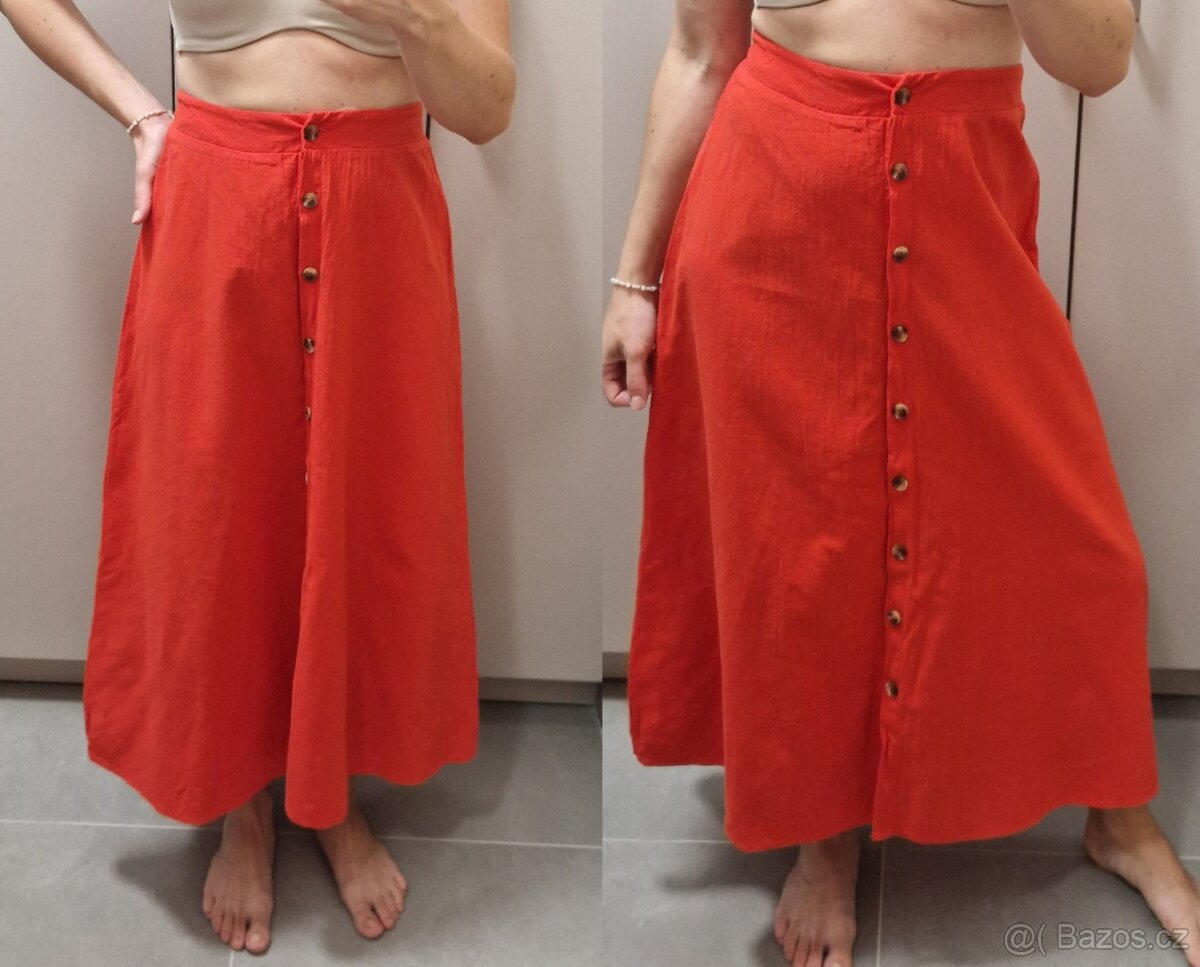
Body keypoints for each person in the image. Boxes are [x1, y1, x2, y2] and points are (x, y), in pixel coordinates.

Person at [601, 1, 1200, 965]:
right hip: (768, 223)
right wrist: (635, 281)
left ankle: (1120, 818)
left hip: (968, 209)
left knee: (1077, 541)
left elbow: (1099, 61)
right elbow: (701, 53)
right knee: (801, 557)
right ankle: (822, 838)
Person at [2, 0, 514, 954]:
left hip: (380, 209)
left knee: (364, 516)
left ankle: (331, 796)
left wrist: (407, 14)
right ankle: (243, 804)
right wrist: (141, 114)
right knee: (218, 519)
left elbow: (487, 110)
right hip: (215, 204)